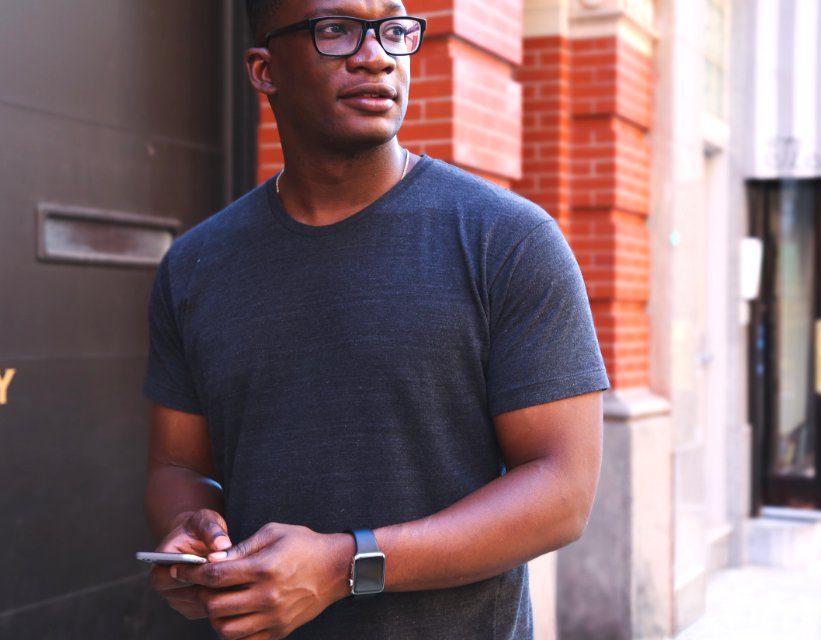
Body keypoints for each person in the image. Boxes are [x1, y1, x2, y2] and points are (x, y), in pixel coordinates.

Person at [142, 0, 609, 638]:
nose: (377, 55)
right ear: (263, 69)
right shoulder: (196, 264)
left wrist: (345, 564)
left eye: (393, 30)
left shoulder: (508, 240)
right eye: (336, 30)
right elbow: (177, 466)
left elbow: (563, 492)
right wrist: (189, 528)